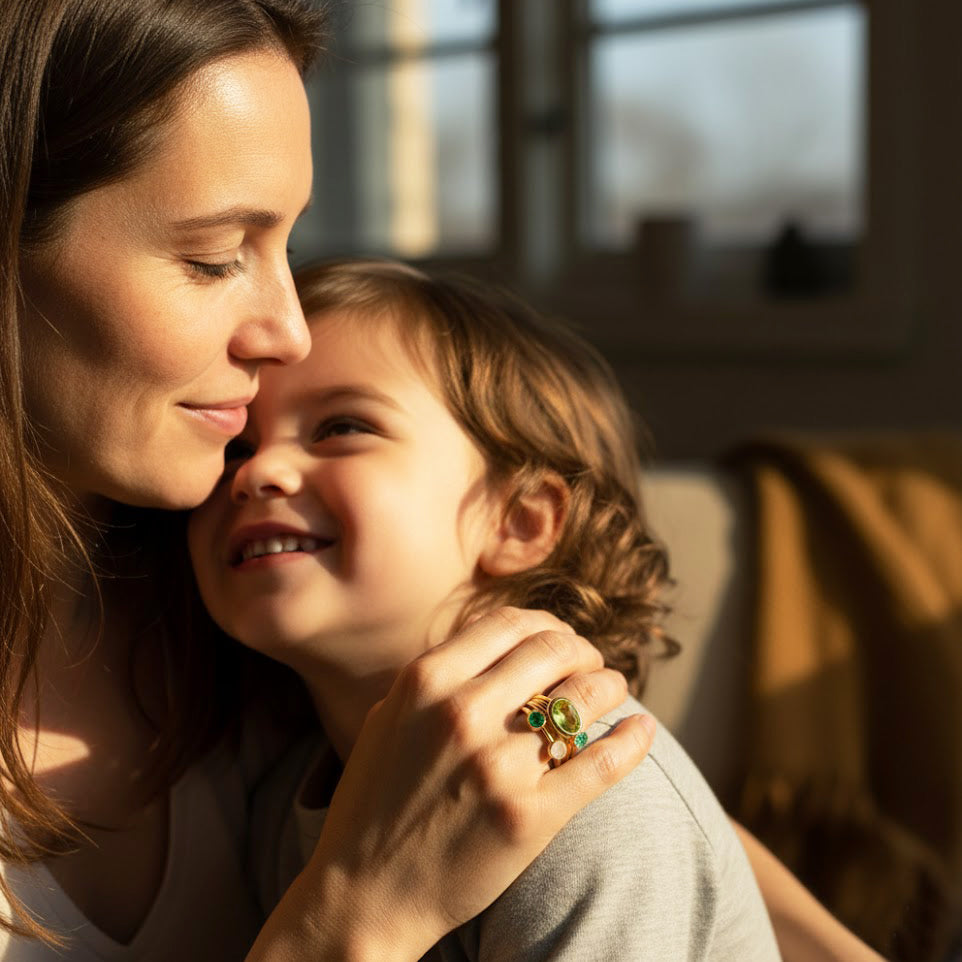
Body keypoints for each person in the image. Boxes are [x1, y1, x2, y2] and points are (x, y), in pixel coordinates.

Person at [0, 3, 654, 957]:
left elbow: (596, 792)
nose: (288, 332)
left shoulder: (220, 604)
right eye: (216, 257)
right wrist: (355, 919)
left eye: (287, 249)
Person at [187, 257, 784, 960]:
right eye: (236, 448)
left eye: (341, 427)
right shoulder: (281, 799)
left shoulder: (592, 804)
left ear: (521, 521)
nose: (257, 472)